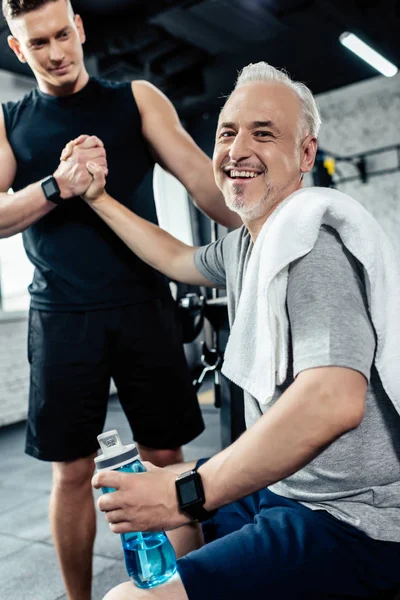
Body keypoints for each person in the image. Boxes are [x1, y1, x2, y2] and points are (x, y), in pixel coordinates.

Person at [75, 62, 400, 599]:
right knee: (159, 503)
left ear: (305, 154)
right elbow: (178, 257)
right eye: (228, 132)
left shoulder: (312, 244)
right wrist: (99, 200)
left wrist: (188, 492)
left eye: (264, 133)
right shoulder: (250, 242)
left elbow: (333, 400)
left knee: (125, 595)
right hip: (291, 487)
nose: (237, 149)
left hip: (351, 518)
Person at [0, 1, 241, 599]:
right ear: (17, 49)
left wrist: (263, 219)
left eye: (62, 34)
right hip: (60, 316)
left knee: (166, 455)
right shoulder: (10, 121)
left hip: (142, 304)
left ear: (80, 28)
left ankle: (190, 590)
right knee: (73, 470)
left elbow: (199, 176)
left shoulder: (136, 99)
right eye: (38, 43)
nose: (55, 53)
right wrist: (60, 184)